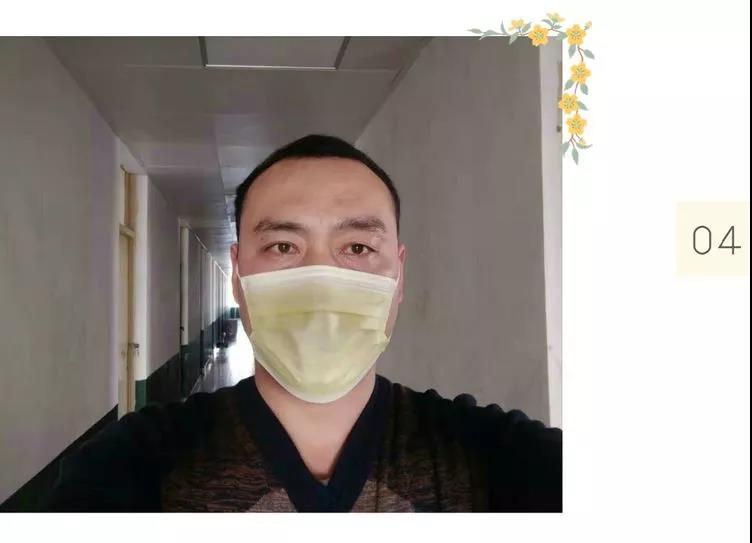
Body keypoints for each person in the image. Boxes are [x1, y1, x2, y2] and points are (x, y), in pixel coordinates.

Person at [46, 134, 561, 512]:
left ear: (399, 275)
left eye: (357, 247)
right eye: (282, 246)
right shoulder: (134, 464)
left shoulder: (494, 460)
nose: (321, 281)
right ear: (238, 275)